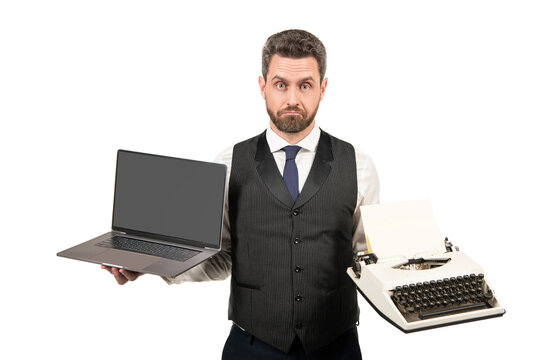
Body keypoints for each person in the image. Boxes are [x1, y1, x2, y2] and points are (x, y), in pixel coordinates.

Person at [103, 29, 379, 359]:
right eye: (281, 85)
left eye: (305, 85)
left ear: (323, 88)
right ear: (263, 87)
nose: (292, 99)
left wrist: (423, 275)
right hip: (251, 347)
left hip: (337, 347)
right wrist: (150, 263)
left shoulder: (359, 166)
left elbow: (369, 263)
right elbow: (218, 257)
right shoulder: (229, 163)